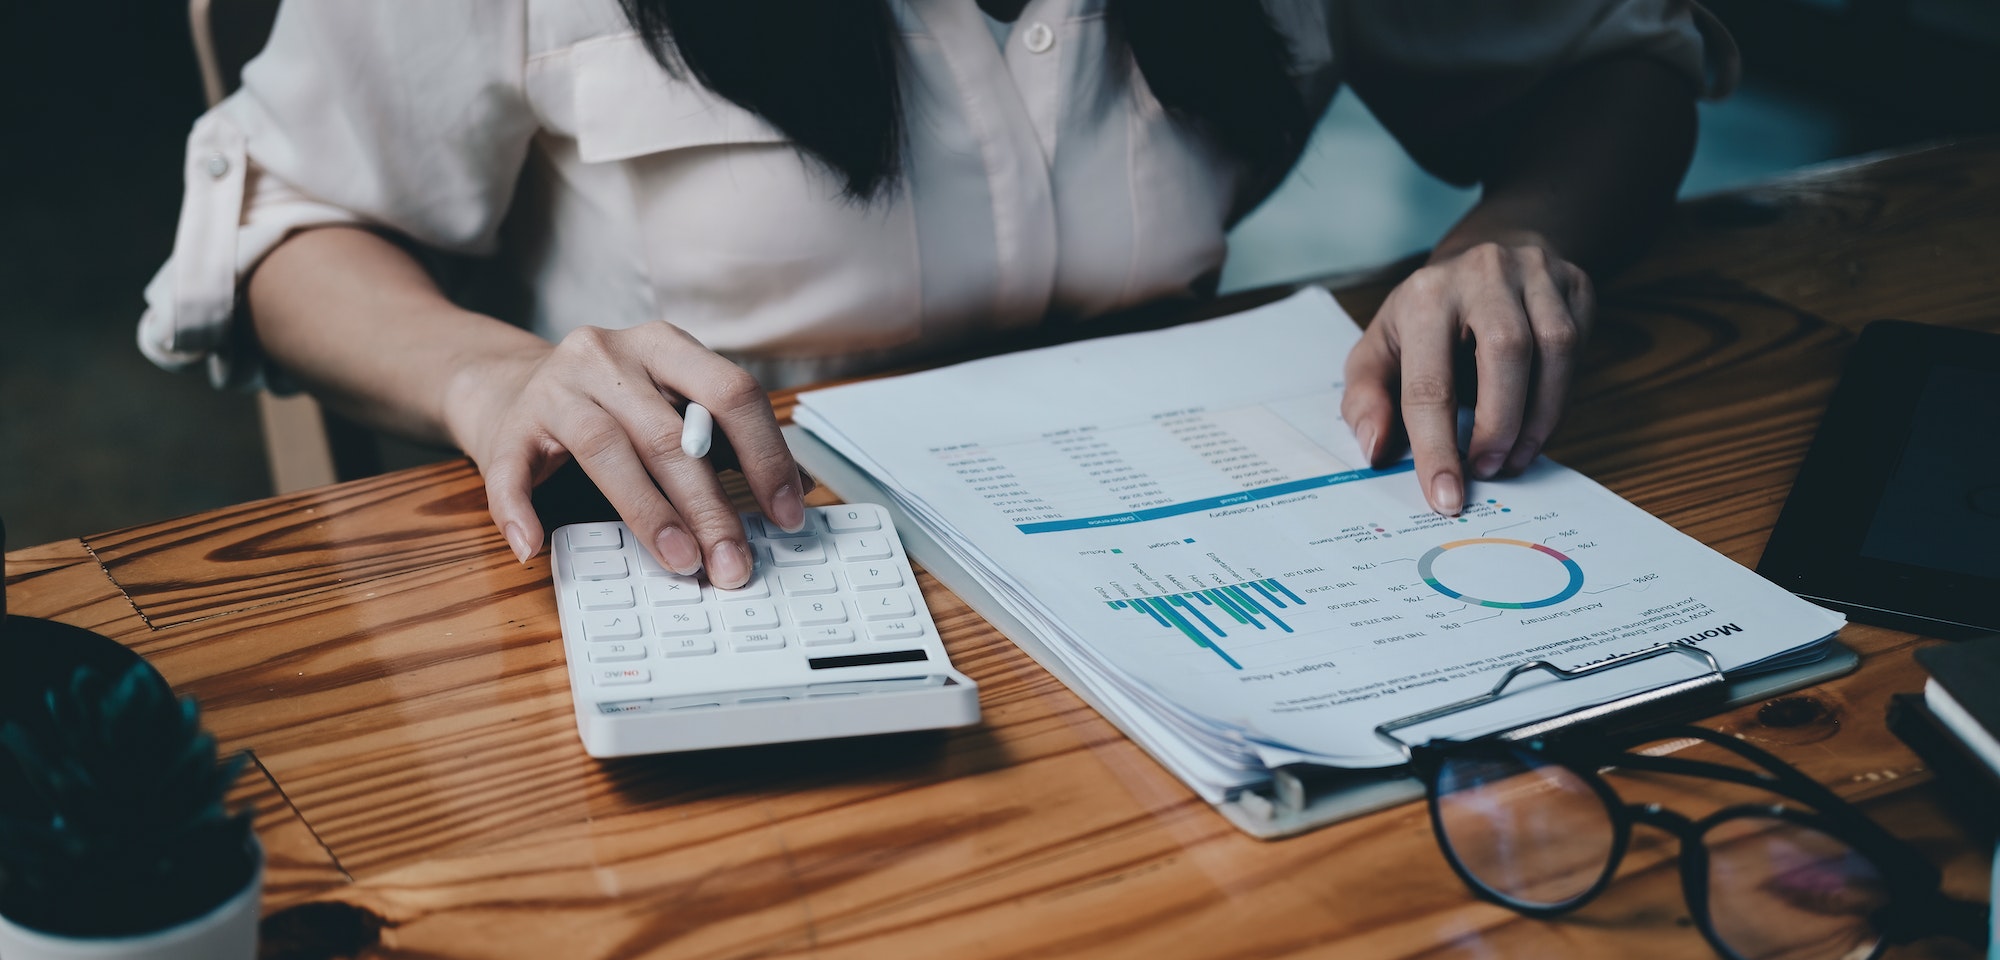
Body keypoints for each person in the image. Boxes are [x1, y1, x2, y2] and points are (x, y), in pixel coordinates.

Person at [140, 0, 1735, 590]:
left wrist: (1515, 238)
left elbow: (1614, 56)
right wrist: (488, 379)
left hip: (1205, 546)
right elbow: (283, 220)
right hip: (734, 568)